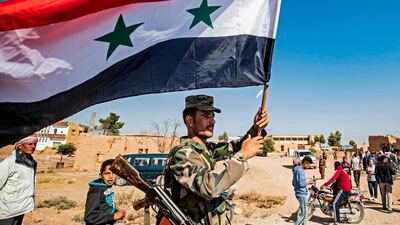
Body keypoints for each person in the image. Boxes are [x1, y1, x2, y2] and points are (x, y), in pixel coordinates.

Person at [162, 94, 269, 225]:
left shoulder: (207, 149)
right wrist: (242, 156)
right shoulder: (183, 155)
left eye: (213, 116)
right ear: (190, 120)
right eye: (206, 116)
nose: (213, 121)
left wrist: (256, 127)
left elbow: (236, 146)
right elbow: (210, 187)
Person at [0, 135, 38, 225]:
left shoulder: (32, 163)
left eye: (35, 144)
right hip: (6, 211)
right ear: (20, 146)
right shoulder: (8, 163)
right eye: (30, 144)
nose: (33, 146)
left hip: (22, 208)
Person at [84, 159, 126, 225]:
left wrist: (116, 212)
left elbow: (105, 206)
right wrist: (113, 216)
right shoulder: (96, 191)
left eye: (114, 173)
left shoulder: (105, 186)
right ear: (101, 175)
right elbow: (90, 217)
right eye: (107, 173)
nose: (111, 176)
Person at [292, 157, 314, 225]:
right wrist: (308, 182)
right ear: (305, 163)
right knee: (303, 214)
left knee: (305, 213)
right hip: (301, 194)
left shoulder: (296, 169)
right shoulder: (300, 171)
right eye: (308, 165)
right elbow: (301, 184)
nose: (309, 166)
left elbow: (293, 183)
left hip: (299, 193)